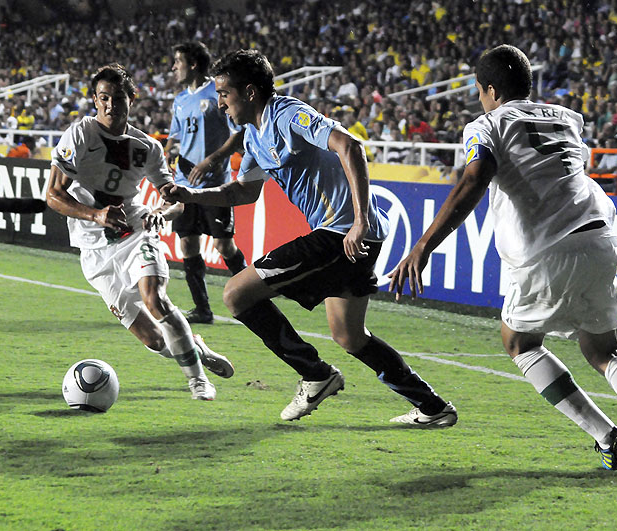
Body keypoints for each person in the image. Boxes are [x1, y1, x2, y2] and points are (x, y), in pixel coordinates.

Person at [388, 45, 617, 480]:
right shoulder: (567, 118)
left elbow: (475, 178)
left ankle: (607, 436)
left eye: (479, 91)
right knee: (604, 350)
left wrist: (423, 246)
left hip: (548, 247)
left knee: (519, 342)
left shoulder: (487, 124)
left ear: (490, 90)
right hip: (600, 237)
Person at [161, 49, 456, 425]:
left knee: (236, 294)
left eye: (224, 94)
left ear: (249, 92)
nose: (220, 103)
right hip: (348, 235)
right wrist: (191, 195)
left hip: (342, 233)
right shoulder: (252, 136)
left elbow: (350, 146)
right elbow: (244, 192)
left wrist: (360, 220)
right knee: (349, 336)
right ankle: (433, 407)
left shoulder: (287, 114)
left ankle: (315, 374)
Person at [46, 63, 234, 401]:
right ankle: (196, 348)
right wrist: (96, 214)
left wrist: (161, 213)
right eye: (104, 98)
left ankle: (198, 381)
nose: (110, 105)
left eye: (118, 98)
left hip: (136, 232)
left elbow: (175, 201)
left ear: (131, 100)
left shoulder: (147, 147)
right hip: (94, 250)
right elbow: (53, 195)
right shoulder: (81, 134)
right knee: (154, 339)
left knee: (155, 298)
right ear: (95, 100)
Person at [164, 42, 247, 325]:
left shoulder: (217, 92)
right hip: (184, 183)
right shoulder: (180, 100)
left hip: (215, 185)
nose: (174, 67)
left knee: (224, 246)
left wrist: (211, 160)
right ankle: (202, 309)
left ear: (193, 64)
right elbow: (175, 137)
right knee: (188, 244)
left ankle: (251, 296)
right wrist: (169, 153)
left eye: (178, 62)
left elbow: (238, 133)